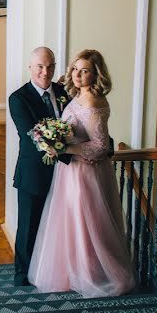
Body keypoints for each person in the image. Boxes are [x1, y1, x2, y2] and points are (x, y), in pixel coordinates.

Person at [27, 49, 135, 297]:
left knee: (88, 224)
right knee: (73, 222)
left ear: (95, 75)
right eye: (75, 68)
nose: (77, 74)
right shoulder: (78, 96)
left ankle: (94, 274)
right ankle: (74, 271)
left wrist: (63, 147)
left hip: (86, 173)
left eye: (84, 70)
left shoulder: (94, 102)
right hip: (71, 171)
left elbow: (101, 146)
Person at [8, 47, 70, 287]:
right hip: (33, 173)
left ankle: (50, 270)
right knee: (28, 227)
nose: (46, 72)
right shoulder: (18, 98)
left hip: (65, 173)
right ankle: (22, 275)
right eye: (40, 67)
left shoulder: (64, 92)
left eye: (50, 67)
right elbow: (33, 137)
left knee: (57, 224)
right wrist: (71, 148)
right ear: (30, 68)